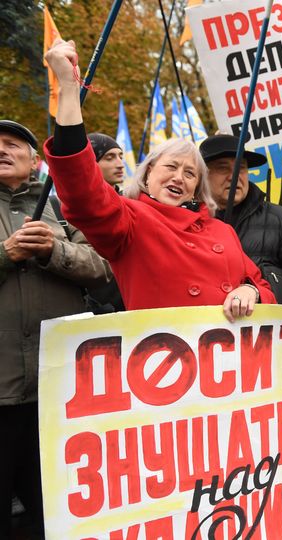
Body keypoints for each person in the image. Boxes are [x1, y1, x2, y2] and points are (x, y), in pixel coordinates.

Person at [44, 38, 275, 318]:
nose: (179, 177)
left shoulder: (221, 231)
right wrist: (69, 89)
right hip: (166, 357)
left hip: (227, 358)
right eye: (171, 167)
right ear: (149, 171)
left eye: (190, 173)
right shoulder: (130, 219)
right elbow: (83, 193)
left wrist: (250, 291)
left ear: (196, 189)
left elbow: (261, 283)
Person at [1, 119, 112, 537]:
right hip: (1, 393)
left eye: (14, 145)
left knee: (57, 512)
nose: (2, 150)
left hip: (59, 395)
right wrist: (4, 254)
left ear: (35, 163)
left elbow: (105, 266)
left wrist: (55, 251)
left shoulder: (64, 208)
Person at [201, 134, 282, 306]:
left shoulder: (278, 218)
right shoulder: (189, 221)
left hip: (271, 328)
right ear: (203, 174)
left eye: (241, 168)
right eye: (223, 168)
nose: (234, 176)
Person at [83, 133, 126, 313]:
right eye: (109, 157)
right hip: (95, 314)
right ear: (91, 163)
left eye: (120, 156)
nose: (120, 164)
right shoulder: (68, 209)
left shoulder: (134, 204)